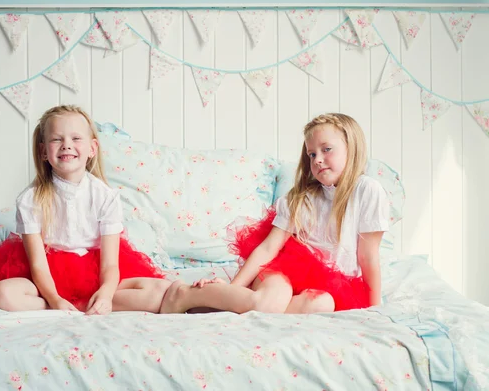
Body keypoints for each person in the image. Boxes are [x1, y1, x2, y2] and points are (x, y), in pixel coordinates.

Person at [160, 113, 389, 314]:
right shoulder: (301, 198)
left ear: (351, 148)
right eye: (311, 154)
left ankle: (223, 304)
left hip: (330, 286)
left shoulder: (367, 191)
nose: (317, 159)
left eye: (326, 149)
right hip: (286, 269)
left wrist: (375, 309)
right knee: (267, 303)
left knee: (322, 305)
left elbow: (368, 257)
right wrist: (235, 287)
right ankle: (187, 295)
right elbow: (269, 248)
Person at [0, 105, 170, 314]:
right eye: (56, 139)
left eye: (76, 138)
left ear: (92, 149)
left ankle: (93, 302)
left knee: (159, 289)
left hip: (96, 271)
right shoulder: (30, 199)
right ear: (43, 151)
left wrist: (106, 294)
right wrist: (55, 300)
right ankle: (60, 306)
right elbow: (38, 265)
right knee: (0, 294)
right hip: (45, 278)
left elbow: (110, 265)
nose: (66, 145)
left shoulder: (105, 196)